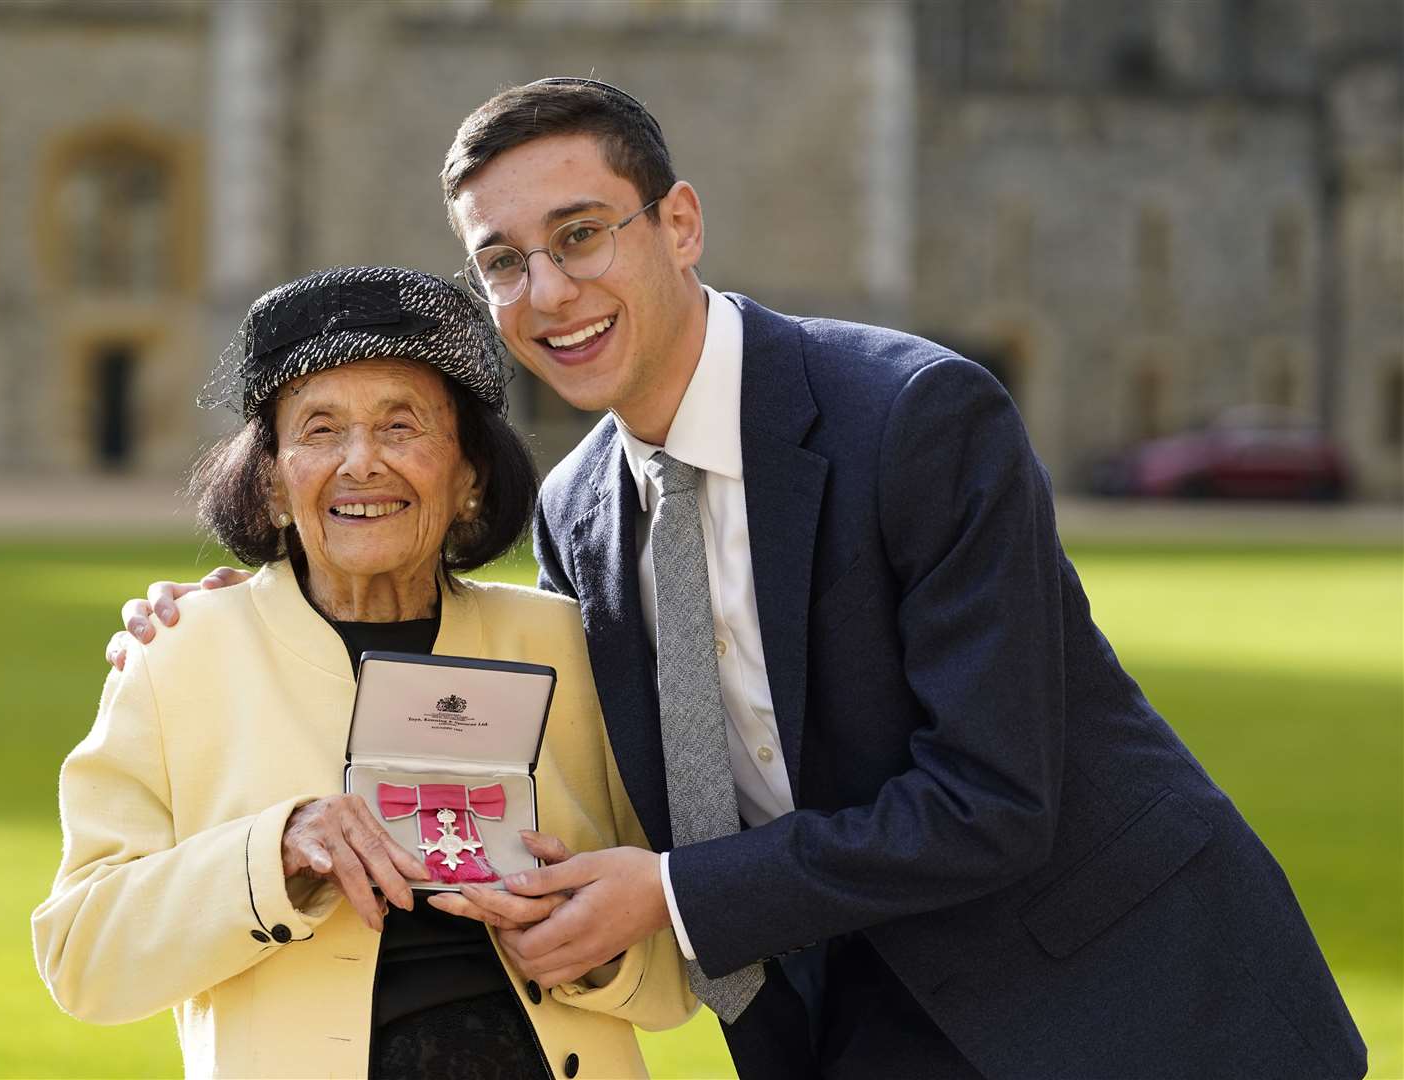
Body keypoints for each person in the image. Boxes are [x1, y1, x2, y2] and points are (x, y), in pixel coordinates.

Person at [111, 82, 1366, 1080]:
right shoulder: (575, 513)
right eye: (501, 263)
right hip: (848, 1011)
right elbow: (441, 631)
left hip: (1116, 997)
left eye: (580, 234)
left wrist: (663, 894)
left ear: (680, 224)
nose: (547, 293)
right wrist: (231, 605)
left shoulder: (915, 415)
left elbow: (993, 796)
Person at [35, 265, 694, 1079]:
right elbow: (82, 960)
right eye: (318, 430)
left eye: (401, 426)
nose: (361, 463)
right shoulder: (179, 655)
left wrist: (586, 942)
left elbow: (674, 974)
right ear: (272, 481)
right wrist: (274, 849)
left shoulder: (571, 647)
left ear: (469, 478)